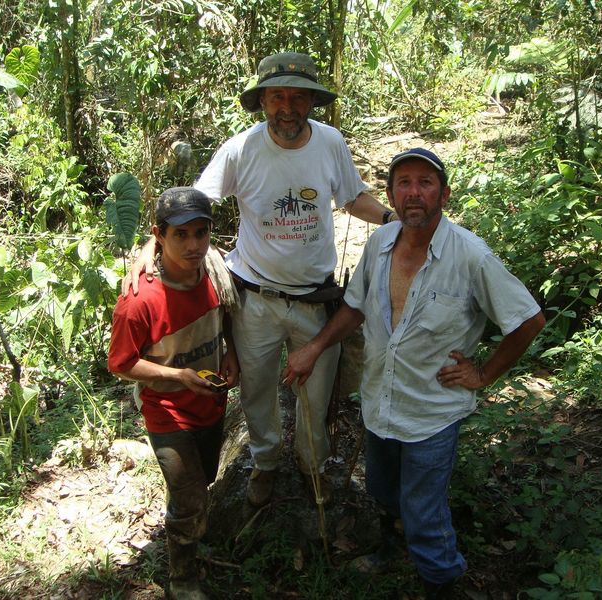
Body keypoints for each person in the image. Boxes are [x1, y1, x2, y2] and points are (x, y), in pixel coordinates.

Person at [125, 52, 398, 508]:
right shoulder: (242, 149)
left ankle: (313, 469)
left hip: (316, 298)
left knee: (316, 392)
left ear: (312, 100)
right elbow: (195, 201)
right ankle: (266, 463)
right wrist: (147, 247)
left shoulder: (330, 143)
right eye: (277, 97)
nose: (287, 107)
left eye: (297, 96)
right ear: (262, 101)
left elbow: (353, 198)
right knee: (255, 390)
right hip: (254, 296)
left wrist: (391, 219)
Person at [282, 148, 546, 598]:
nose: (414, 193)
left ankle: (441, 582)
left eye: (425, 183)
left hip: (431, 411)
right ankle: (391, 545)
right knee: (385, 491)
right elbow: (355, 307)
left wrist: (484, 373)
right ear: (390, 194)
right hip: (380, 403)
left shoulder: (469, 256)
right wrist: (314, 346)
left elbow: (527, 320)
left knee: (424, 511)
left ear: (444, 193)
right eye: (403, 183)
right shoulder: (379, 244)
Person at [108, 187, 240, 600]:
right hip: (168, 412)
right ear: (158, 236)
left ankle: (194, 534)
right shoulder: (139, 301)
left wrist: (231, 354)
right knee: (187, 500)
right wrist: (177, 376)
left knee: (203, 483)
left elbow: (228, 317)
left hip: (211, 404)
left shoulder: (215, 271)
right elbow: (120, 362)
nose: (193, 244)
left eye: (201, 233)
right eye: (181, 234)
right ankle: (181, 578)